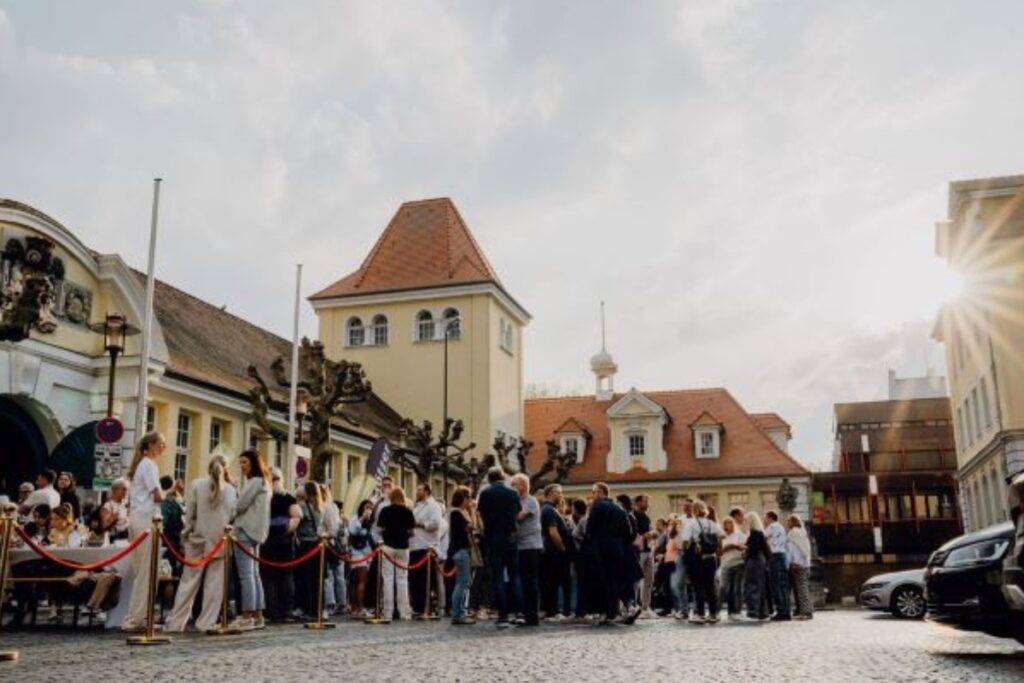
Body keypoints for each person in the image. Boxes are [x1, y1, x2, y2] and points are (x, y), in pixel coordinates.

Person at [164, 454, 237, 633]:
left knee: (188, 582)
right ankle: (206, 622)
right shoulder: (231, 490)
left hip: (197, 538)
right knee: (214, 585)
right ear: (226, 469)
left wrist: (186, 534)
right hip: (219, 539)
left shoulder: (197, 485)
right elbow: (232, 516)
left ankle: (176, 622)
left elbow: (190, 514)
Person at [121, 431, 166, 633]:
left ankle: (139, 615)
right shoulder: (149, 465)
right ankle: (136, 617)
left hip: (139, 518)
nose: (163, 448)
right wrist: (171, 493)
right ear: (150, 445)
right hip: (147, 519)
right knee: (148, 570)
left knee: (144, 570)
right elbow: (157, 496)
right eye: (160, 444)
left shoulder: (143, 465)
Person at [587, 482, 638, 625]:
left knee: (605, 581)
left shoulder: (597, 506)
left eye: (595, 492)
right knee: (616, 579)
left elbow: (590, 529)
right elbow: (629, 532)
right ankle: (626, 607)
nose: (593, 495)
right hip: (618, 549)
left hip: (601, 549)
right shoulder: (620, 508)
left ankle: (609, 613)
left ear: (602, 492)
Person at [231, 449, 271, 631]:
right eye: (240, 463)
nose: (242, 466)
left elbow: (241, 504)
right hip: (258, 532)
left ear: (253, 463)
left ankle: (247, 614)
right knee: (254, 574)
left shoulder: (254, 481)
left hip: (246, 529)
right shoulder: (265, 482)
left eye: (244, 462)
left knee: (246, 574)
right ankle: (258, 614)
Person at [476, 467, 521, 628]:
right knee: (515, 575)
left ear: (489, 479)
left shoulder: (485, 494)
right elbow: (517, 513)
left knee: (498, 576)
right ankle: (519, 612)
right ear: (503, 477)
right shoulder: (512, 492)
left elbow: (481, 515)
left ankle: (503, 615)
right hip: (510, 536)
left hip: (493, 537)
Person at [262, 467, 300, 622]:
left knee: (269, 578)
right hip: (284, 542)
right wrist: (285, 532)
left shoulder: (265, 497)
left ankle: (272, 612)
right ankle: (287, 611)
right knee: (286, 577)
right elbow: (296, 518)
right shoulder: (289, 498)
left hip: (268, 541)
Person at [376, 487, 415, 622]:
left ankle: (388, 612)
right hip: (403, 546)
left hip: (388, 546)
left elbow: (380, 529)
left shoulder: (385, 511)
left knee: (387, 578)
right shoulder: (408, 511)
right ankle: (404, 612)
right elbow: (411, 532)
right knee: (402, 579)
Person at [682, 499, 723, 624]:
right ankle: (713, 614)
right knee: (710, 586)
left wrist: (694, 543)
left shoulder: (691, 523)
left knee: (698, 586)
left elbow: (685, 541)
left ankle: (700, 614)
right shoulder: (711, 523)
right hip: (710, 558)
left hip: (697, 559)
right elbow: (722, 535)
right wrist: (714, 544)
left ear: (694, 510)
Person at [511, 473, 542, 627]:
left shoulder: (530, 501)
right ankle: (525, 613)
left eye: (514, 485)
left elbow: (519, 517)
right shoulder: (519, 501)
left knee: (531, 581)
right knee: (523, 581)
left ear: (523, 486)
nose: (512, 488)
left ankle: (532, 615)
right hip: (521, 545)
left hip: (531, 546)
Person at [540, 483, 573, 621]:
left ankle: (554, 611)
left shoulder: (551, 510)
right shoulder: (548, 510)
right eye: (558, 493)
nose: (561, 495)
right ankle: (555, 612)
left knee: (554, 582)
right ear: (551, 493)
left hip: (553, 551)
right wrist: (562, 548)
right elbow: (553, 533)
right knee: (557, 582)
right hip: (555, 552)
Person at [409, 482, 443, 617]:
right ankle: (417, 606)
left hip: (426, 546)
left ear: (427, 491)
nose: (417, 492)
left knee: (426, 579)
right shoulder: (416, 507)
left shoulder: (433, 506)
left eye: (420, 490)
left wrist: (420, 524)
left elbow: (435, 524)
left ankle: (428, 606)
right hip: (414, 545)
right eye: (417, 490)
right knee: (414, 579)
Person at [448, 486, 477, 625]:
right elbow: (472, 526)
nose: (470, 501)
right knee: (462, 582)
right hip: (460, 550)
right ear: (463, 498)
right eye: (469, 498)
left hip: (461, 550)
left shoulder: (457, 512)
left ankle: (460, 611)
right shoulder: (457, 513)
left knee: (464, 582)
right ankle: (457, 613)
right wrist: (472, 512)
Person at [294, 482, 323, 618]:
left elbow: (296, 519)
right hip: (318, 544)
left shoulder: (304, 507)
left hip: (306, 544)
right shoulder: (319, 506)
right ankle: (317, 608)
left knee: (304, 578)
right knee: (316, 579)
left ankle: (306, 608)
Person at [320, 486, 347, 617]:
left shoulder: (324, 507)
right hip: (338, 545)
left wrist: (322, 534)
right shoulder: (334, 507)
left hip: (329, 543)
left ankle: (330, 603)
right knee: (339, 575)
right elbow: (340, 527)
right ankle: (342, 602)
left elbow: (330, 529)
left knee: (328, 575)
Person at [348, 499, 375, 617]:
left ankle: (355, 607)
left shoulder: (371, 523)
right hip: (357, 552)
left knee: (360, 580)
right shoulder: (355, 518)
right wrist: (362, 518)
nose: (369, 510)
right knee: (361, 579)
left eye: (371, 508)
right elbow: (353, 531)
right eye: (367, 508)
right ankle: (359, 608)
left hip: (367, 554)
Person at [742, 511, 769, 621]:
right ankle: (762, 612)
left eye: (746, 520)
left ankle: (753, 612)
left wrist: (744, 549)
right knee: (760, 586)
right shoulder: (760, 532)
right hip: (760, 560)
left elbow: (753, 549)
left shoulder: (754, 533)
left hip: (754, 560)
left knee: (752, 586)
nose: (744, 522)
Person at [764, 510, 791, 621]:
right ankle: (787, 611)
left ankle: (781, 611)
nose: (764, 520)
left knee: (775, 585)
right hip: (782, 556)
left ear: (770, 518)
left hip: (774, 556)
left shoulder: (771, 526)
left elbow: (763, 537)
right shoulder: (781, 527)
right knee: (783, 585)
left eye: (765, 518)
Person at [720, 515, 747, 620]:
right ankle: (730, 611)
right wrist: (726, 548)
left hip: (738, 563)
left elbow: (745, 546)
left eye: (730, 525)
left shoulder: (739, 534)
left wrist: (735, 546)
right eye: (726, 526)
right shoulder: (722, 536)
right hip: (726, 563)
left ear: (733, 525)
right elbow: (719, 552)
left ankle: (737, 611)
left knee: (737, 588)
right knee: (726, 588)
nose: (728, 528)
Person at [786, 514, 813, 620]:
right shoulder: (803, 533)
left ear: (792, 522)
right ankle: (807, 610)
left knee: (801, 589)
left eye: (788, 521)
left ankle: (806, 612)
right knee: (804, 588)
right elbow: (806, 551)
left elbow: (792, 550)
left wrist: (791, 562)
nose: (787, 523)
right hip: (805, 564)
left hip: (797, 564)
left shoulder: (792, 533)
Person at [633, 494, 656, 618]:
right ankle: (634, 606)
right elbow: (632, 533)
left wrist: (652, 533)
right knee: (636, 580)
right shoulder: (633, 516)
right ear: (638, 503)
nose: (648, 504)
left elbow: (649, 530)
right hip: (639, 551)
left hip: (648, 550)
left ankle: (646, 607)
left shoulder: (646, 517)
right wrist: (643, 536)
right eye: (645, 501)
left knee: (649, 580)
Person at [160, 476, 186, 577]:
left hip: (166, 541)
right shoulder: (177, 502)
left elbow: (164, 523)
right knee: (171, 571)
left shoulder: (164, 502)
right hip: (174, 540)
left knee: (166, 571)